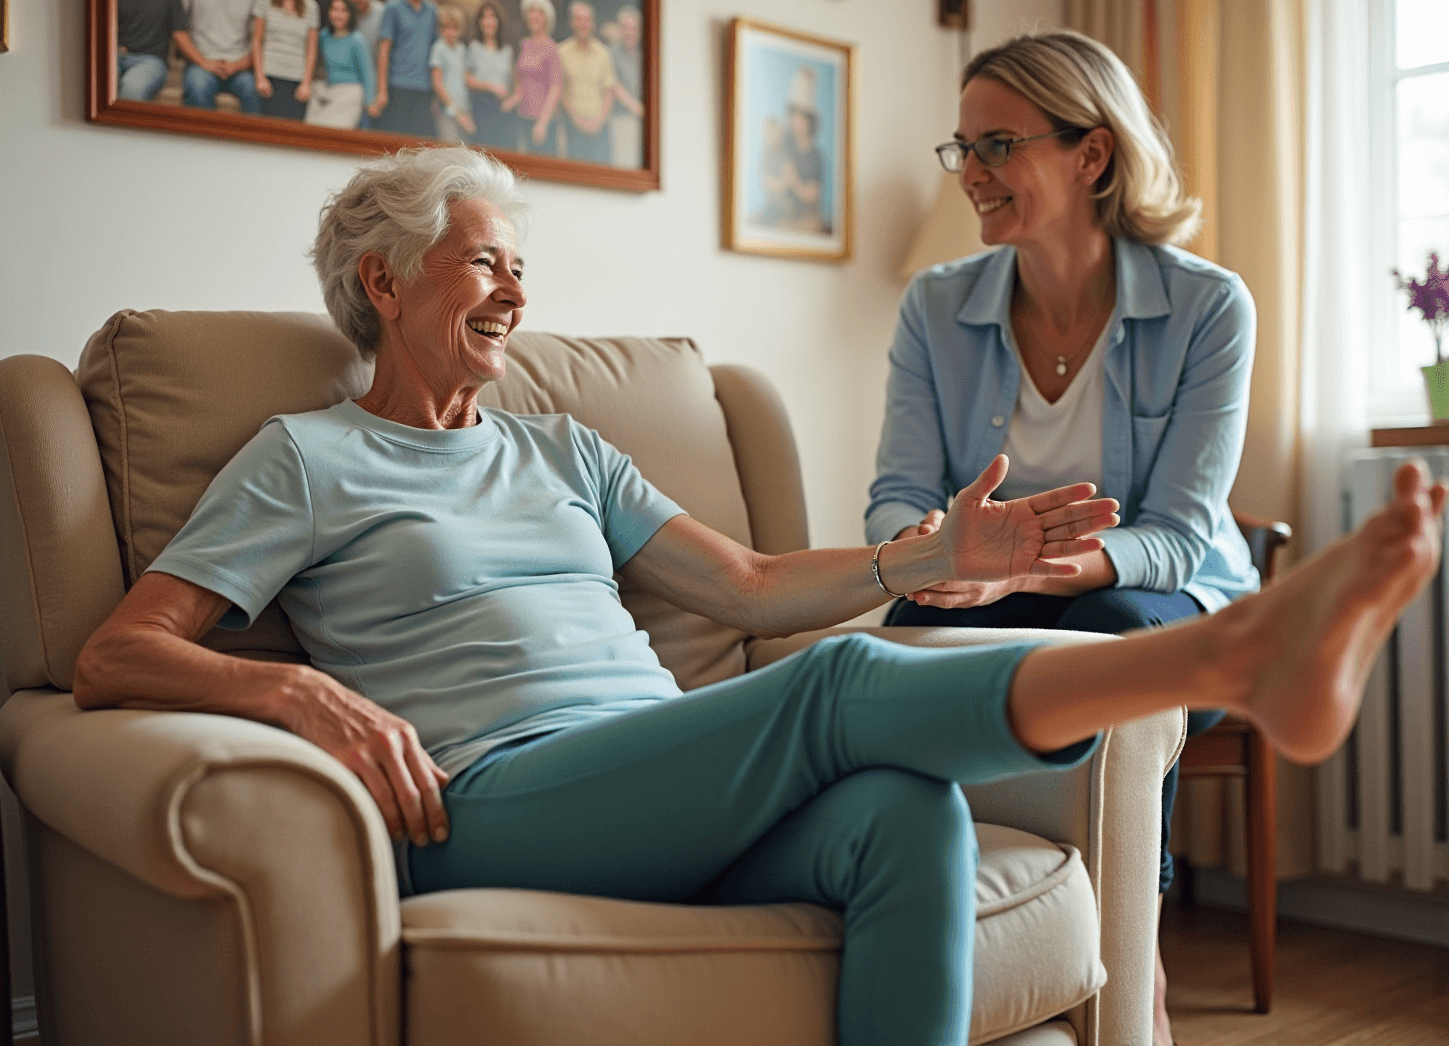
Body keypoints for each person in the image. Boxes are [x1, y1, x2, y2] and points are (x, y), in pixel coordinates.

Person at [73, 145, 1446, 1046]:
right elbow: (115, 656)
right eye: (488, 260)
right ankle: (1234, 657)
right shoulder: (305, 458)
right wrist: (290, 685)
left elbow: (743, 584)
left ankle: (1239, 655)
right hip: (487, 800)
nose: (516, 290)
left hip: (659, 777)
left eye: (517, 265)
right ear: (385, 280)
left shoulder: (563, 445)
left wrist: (932, 563)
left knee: (902, 817)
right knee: (844, 690)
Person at [863, 30, 1257, 1046]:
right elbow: (900, 493)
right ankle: (935, 927)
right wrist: (931, 548)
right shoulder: (934, 306)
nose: (972, 175)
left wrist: (1018, 570)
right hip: (1007, 589)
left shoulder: (1209, 307)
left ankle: (1137, 962)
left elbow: (1174, 539)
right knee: (907, 626)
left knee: (1116, 625)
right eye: (962, 149)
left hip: (1170, 605)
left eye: (997, 145)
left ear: (1092, 153)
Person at [175, 0, 262, 114]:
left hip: (238, 66)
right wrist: (203, 61)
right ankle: (204, 136)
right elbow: (176, 27)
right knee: (198, 88)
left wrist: (238, 65)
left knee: (255, 90)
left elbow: (260, 38)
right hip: (202, 63)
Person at [758, 67, 827, 232]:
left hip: (805, 218)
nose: (797, 122)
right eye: (794, 116)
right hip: (779, 213)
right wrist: (782, 181)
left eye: (802, 118)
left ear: (810, 121)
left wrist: (794, 181)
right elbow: (767, 180)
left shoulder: (816, 156)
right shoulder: (781, 144)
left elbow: (813, 193)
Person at [371, 0, 436, 136]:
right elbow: (384, 51)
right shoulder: (392, 7)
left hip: (424, 90)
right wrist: (381, 91)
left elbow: (435, 54)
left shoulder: (433, 10)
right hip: (397, 87)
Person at [501, 0, 560, 156]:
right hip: (523, 116)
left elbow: (556, 88)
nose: (534, 15)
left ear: (546, 17)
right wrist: (513, 98)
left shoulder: (551, 48)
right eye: (531, 11)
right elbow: (521, 80)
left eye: (539, 11)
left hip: (542, 120)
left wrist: (542, 123)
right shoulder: (524, 44)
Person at [252, 0, 318, 121]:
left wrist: (306, 83)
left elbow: (311, 50)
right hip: (269, 80)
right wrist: (260, 77)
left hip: (297, 82)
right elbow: (257, 41)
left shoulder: (311, 6)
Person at [115, 0, 190, 103]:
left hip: (150, 60)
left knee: (132, 88)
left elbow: (179, 34)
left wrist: (204, 62)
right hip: (114, 54)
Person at [557, 0, 615, 163]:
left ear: (593, 23)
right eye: (578, 19)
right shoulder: (561, 51)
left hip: (601, 127)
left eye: (587, 19)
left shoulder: (603, 52)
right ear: (571, 22)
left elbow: (609, 90)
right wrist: (576, 119)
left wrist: (599, 120)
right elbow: (561, 90)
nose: (583, 24)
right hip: (573, 127)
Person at [304, 0, 374, 130]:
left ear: (350, 14)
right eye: (334, 10)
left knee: (335, 131)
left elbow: (368, 72)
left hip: (350, 93)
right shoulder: (324, 36)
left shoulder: (357, 40)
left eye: (344, 10)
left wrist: (370, 102)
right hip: (326, 91)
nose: (338, 15)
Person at [465, 1, 515, 149]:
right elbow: (467, 79)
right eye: (484, 17)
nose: (489, 22)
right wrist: (491, 86)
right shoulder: (474, 47)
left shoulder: (507, 50)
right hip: (482, 106)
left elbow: (514, 81)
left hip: (504, 110)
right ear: (479, 22)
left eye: (492, 17)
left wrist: (510, 100)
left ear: (498, 21)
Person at [606, 4, 644, 169]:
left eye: (634, 28)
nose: (630, 32)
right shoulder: (612, 52)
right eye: (626, 28)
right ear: (620, 30)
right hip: (622, 119)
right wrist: (638, 108)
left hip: (645, 121)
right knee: (625, 166)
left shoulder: (645, 53)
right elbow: (614, 86)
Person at [429, 5, 474, 143]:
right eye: (446, 27)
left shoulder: (462, 49)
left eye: (454, 27)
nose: (450, 32)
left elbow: (467, 80)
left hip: (464, 108)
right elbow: (437, 83)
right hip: (446, 110)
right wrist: (456, 112)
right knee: (449, 149)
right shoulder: (439, 48)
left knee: (464, 150)